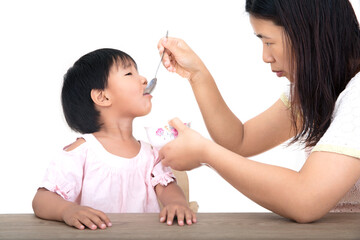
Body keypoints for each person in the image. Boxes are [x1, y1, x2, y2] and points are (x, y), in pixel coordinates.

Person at [157, 0, 360, 223]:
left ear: (310, 34)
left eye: (269, 42)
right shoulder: (318, 89)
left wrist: (205, 153)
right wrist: (196, 74)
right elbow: (239, 140)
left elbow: (306, 200)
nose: (266, 57)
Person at [32, 48, 196, 230]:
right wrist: (67, 211)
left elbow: (167, 187)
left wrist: (178, 203)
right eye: (129, 73)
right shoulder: (81, 153)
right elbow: (42, 200)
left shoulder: (151, 154)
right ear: (102, 96)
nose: (143, 79)